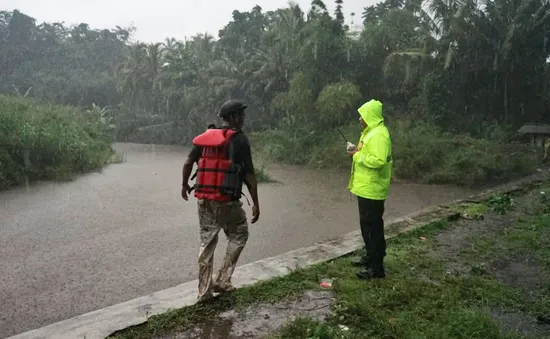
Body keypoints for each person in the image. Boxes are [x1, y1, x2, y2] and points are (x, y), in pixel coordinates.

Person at [181, 100, 260, 301]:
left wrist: (184, 185)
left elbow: (188, 162)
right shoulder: (240, 140)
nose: (244, 119)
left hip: (204, 200)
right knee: (239, 232)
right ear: (233, 117)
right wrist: (256, 203)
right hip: (227, 201)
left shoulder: (207, 138)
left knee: (207, 242)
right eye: (241, 115)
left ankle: (204, 292)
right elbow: (249, 175)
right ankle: (223, 280)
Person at [347, 99, 392, 280]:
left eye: (362, 116)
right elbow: (369, 154)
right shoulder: (370, 133)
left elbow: (379, 161)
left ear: (370, 116)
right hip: (366, 189)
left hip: (373, 189)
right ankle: (370, 257)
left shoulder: (379, 134)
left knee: (373, 228)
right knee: (367, 226)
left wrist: (357, 155)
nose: (359, 119)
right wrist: (357, 150)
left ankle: (376, 268)